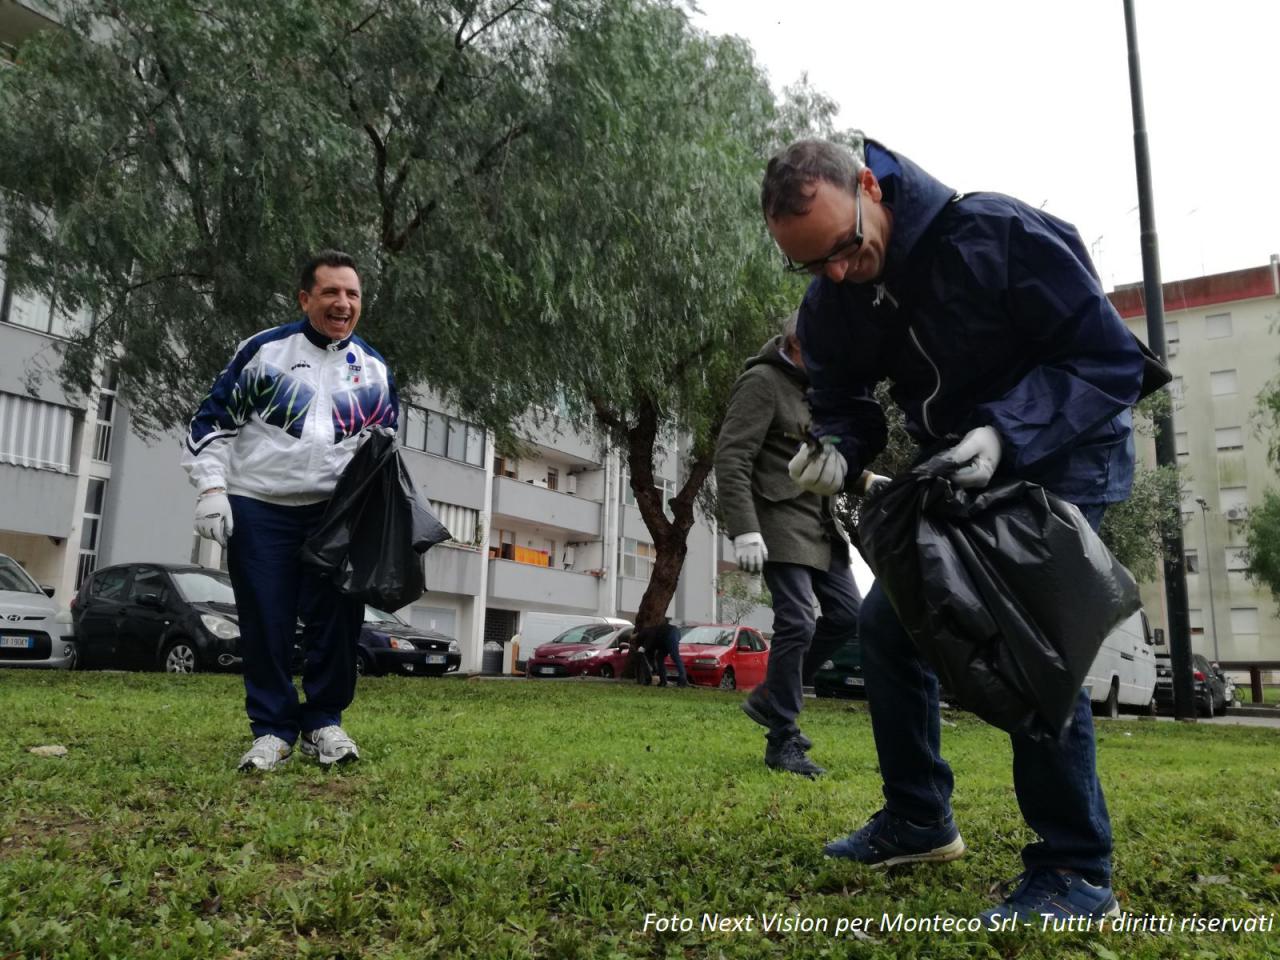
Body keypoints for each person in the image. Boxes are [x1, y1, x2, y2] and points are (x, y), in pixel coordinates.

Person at [761, 136, 1152, 922]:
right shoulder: (834, 296)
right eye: (812, 265)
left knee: (1029, 632)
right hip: (959, 466)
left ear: (871, 187)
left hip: (1068, 450)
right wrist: (837, 448)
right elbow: (842, 397)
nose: (836, 273)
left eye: (844, 247)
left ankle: (1076, 868)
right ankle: (919, 819)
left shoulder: (1000, 235)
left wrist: (1009, 432)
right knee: (887, 622)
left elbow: (1109, 361)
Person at [182, 250, 399, 772]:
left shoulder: (373, 369)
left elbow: (381, 451)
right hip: (261, 508)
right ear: (305, 299)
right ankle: (273, 730)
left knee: (337, 625)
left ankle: (324, 723)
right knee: (266, 622)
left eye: (352, 294)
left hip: (334, 516)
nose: (342, 303)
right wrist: (212, 490)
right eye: (330, 292)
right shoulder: (263, 353)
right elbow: (211, 424)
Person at [714, 313, 869, 777]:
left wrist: (868, 481)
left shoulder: (816, 389)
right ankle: (782, 738)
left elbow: (825, 458)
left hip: (820, 522)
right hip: (777, 519)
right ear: (797, 343)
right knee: (798, 619)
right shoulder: (762, 382)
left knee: (849, 615)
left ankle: (771, 695)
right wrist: (744, 527)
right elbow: (732, 455)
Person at [652, 617, 689, 689]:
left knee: (675, 657)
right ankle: (663, 681)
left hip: (671, 635)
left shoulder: (652, 631)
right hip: (668, 637)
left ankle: (682, 680)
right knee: (659, 657)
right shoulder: (657, 629)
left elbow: (651, 646)